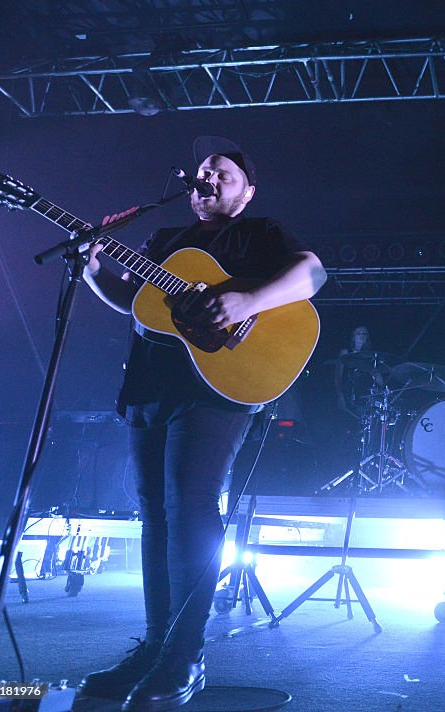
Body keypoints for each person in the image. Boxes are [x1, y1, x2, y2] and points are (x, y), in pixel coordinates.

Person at [78, 136, 327, 711]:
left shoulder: (259, 233)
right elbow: (143, 305)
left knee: (190, 505)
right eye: (203, 170)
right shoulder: (165, 241)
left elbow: (311, 274)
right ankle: (155, 648)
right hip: (150, 384)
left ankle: (186, 655)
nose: (208, 176)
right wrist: (93, 270)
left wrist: (246, 303)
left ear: (246, 191)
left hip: (218, 387)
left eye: (223, 171)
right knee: (154, 515)